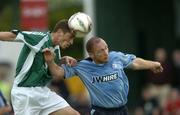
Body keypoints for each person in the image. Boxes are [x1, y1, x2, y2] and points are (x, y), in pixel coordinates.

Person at [44, 37, 163, 115]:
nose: (105, 52)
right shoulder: (82, 66)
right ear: (91, 54)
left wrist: (153, 64)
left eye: (106, 48)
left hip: (122, 110)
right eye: (100, 51)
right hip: (101, 112)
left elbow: (135, 62)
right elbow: (58, 72)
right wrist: (50, 61)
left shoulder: (115, 57)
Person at [0, 20, 80, 115]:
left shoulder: (56, 48)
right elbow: (12, 36)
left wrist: (63, 59)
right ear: (60, 32)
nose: (71, 42)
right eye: (70, 37)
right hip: (24, 93)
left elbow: (53, 69)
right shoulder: (39, 38)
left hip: (42, 92)